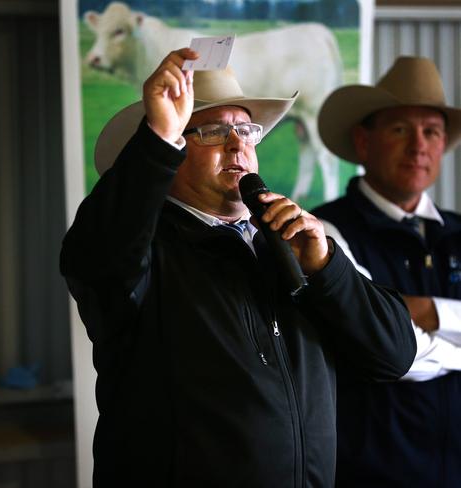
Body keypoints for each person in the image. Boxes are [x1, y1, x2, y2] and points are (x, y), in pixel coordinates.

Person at [61, 48, 415, 488]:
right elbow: (96, 256)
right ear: (171, 153)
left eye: (246, 131)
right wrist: (157, 137)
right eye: (212, 132)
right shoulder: (147, 252)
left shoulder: (297, 248)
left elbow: (394, 354)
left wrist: (328, 268)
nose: (237, 145)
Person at [312, 56, 461, 487]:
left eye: (431, 131)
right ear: (363, 142)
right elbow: (385, 349)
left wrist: (424, 311)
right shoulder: (323, 233)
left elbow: (382, 325)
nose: (418, 146)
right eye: (400, 130)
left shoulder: (458, 233)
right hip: (371, 473)